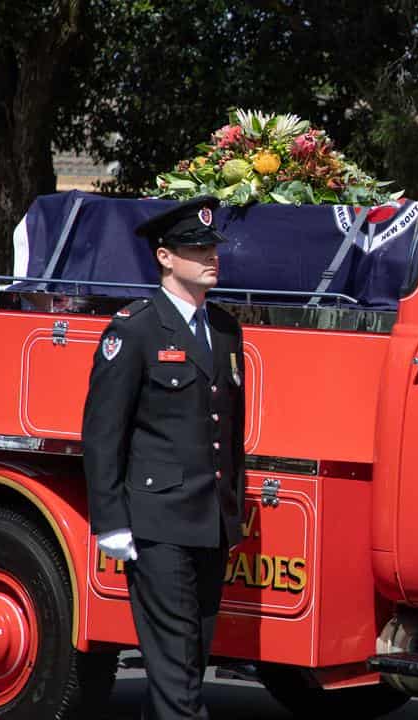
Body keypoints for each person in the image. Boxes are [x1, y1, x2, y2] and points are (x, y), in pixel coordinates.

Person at [82, 195, 246, 720]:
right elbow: (103, 432)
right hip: (160, 523)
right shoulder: (135, 329)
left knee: (193, 659)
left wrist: (234, 510)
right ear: (165, 257)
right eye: (196, 248)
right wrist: (111, 520)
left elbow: (229, 430)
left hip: (211, 522)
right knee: (176, 671)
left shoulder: (224, 329)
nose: (210, 257)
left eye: (212, 247)